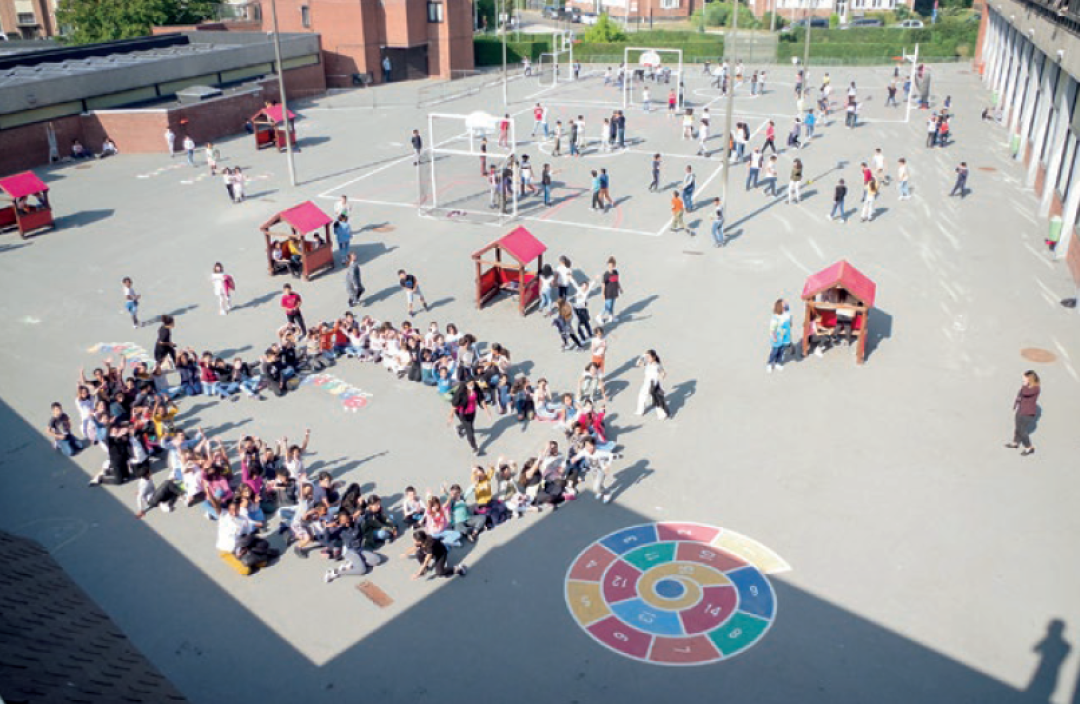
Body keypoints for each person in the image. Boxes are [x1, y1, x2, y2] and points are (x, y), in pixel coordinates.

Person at [448, 379, 492, 455]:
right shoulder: (460, 393)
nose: (472, 385)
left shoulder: (475, 388)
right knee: (470, 431)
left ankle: (459, 427)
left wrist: (487, 411)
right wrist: (450, 416)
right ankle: (474, 448)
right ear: (465, 384)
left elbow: (481, 399)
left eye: (473, 383)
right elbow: (454, 405)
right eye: (470, 384)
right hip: (463, 413)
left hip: (472, 411)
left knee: (470, 425)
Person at [403, 530, 467, 580]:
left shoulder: (430, 546)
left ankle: (457, 568)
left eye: (414, 540)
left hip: (440, 553)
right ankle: (425, 569)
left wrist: (418, 573)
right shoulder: (422, 539)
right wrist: (405, 553)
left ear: (420, 541)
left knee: (439, 572)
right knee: (418, 553)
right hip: (431, 551)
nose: (413, 541)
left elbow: (426, 561)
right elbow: (415, 547)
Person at [1006, 371, 1040, 456]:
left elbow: (1025, 392)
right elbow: (1019, 395)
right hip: (1020, 410)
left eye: (1024, 378)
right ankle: (1015, 443)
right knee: (1017, 428)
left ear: (1030, 379)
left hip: (1028, 413)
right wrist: (1016, 404)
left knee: (1022, 430)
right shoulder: (1026, 386)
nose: (1023, 380)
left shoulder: (1036, 388)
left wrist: (1024, 385)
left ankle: (1029, 447)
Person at [635, 349, 668, 419]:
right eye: (647, 357)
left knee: (655, 400)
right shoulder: (647, 364)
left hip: (653, 385)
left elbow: (663, 373)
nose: (647, 358)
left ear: (654, 357)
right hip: (646, 385)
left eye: (648, 357)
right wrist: (643, 355)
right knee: (643, 398)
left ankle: (662, 415)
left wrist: (661, 377)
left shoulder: (657, 365)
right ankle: (640, 412)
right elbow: (637, 364)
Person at [767, 299, 792, 373]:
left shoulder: (786, 313)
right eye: (783, 304)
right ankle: (770, 363)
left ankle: (778, 362)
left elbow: (790, 317)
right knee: (774, 351)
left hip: (785, 337)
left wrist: (791, 322)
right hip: (777, 337)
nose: (785, 305)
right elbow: (772, 329)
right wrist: (774, 337)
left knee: (781, 351)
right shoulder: (775, 317)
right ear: (779, 307)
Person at [597, 257, 621, 325]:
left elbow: (617, 281)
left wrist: (620, 288)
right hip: (608, 293)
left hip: (614, 292)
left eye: (612, 266)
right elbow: (603, 284)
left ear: (614, 266)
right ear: (607, 265)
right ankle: (599, 316)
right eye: (609, 266)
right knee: (607, 306)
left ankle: (611, 317)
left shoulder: (616, 272)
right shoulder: (606, 275)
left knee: (612, 305)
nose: (610, 267)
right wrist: (603, 294)